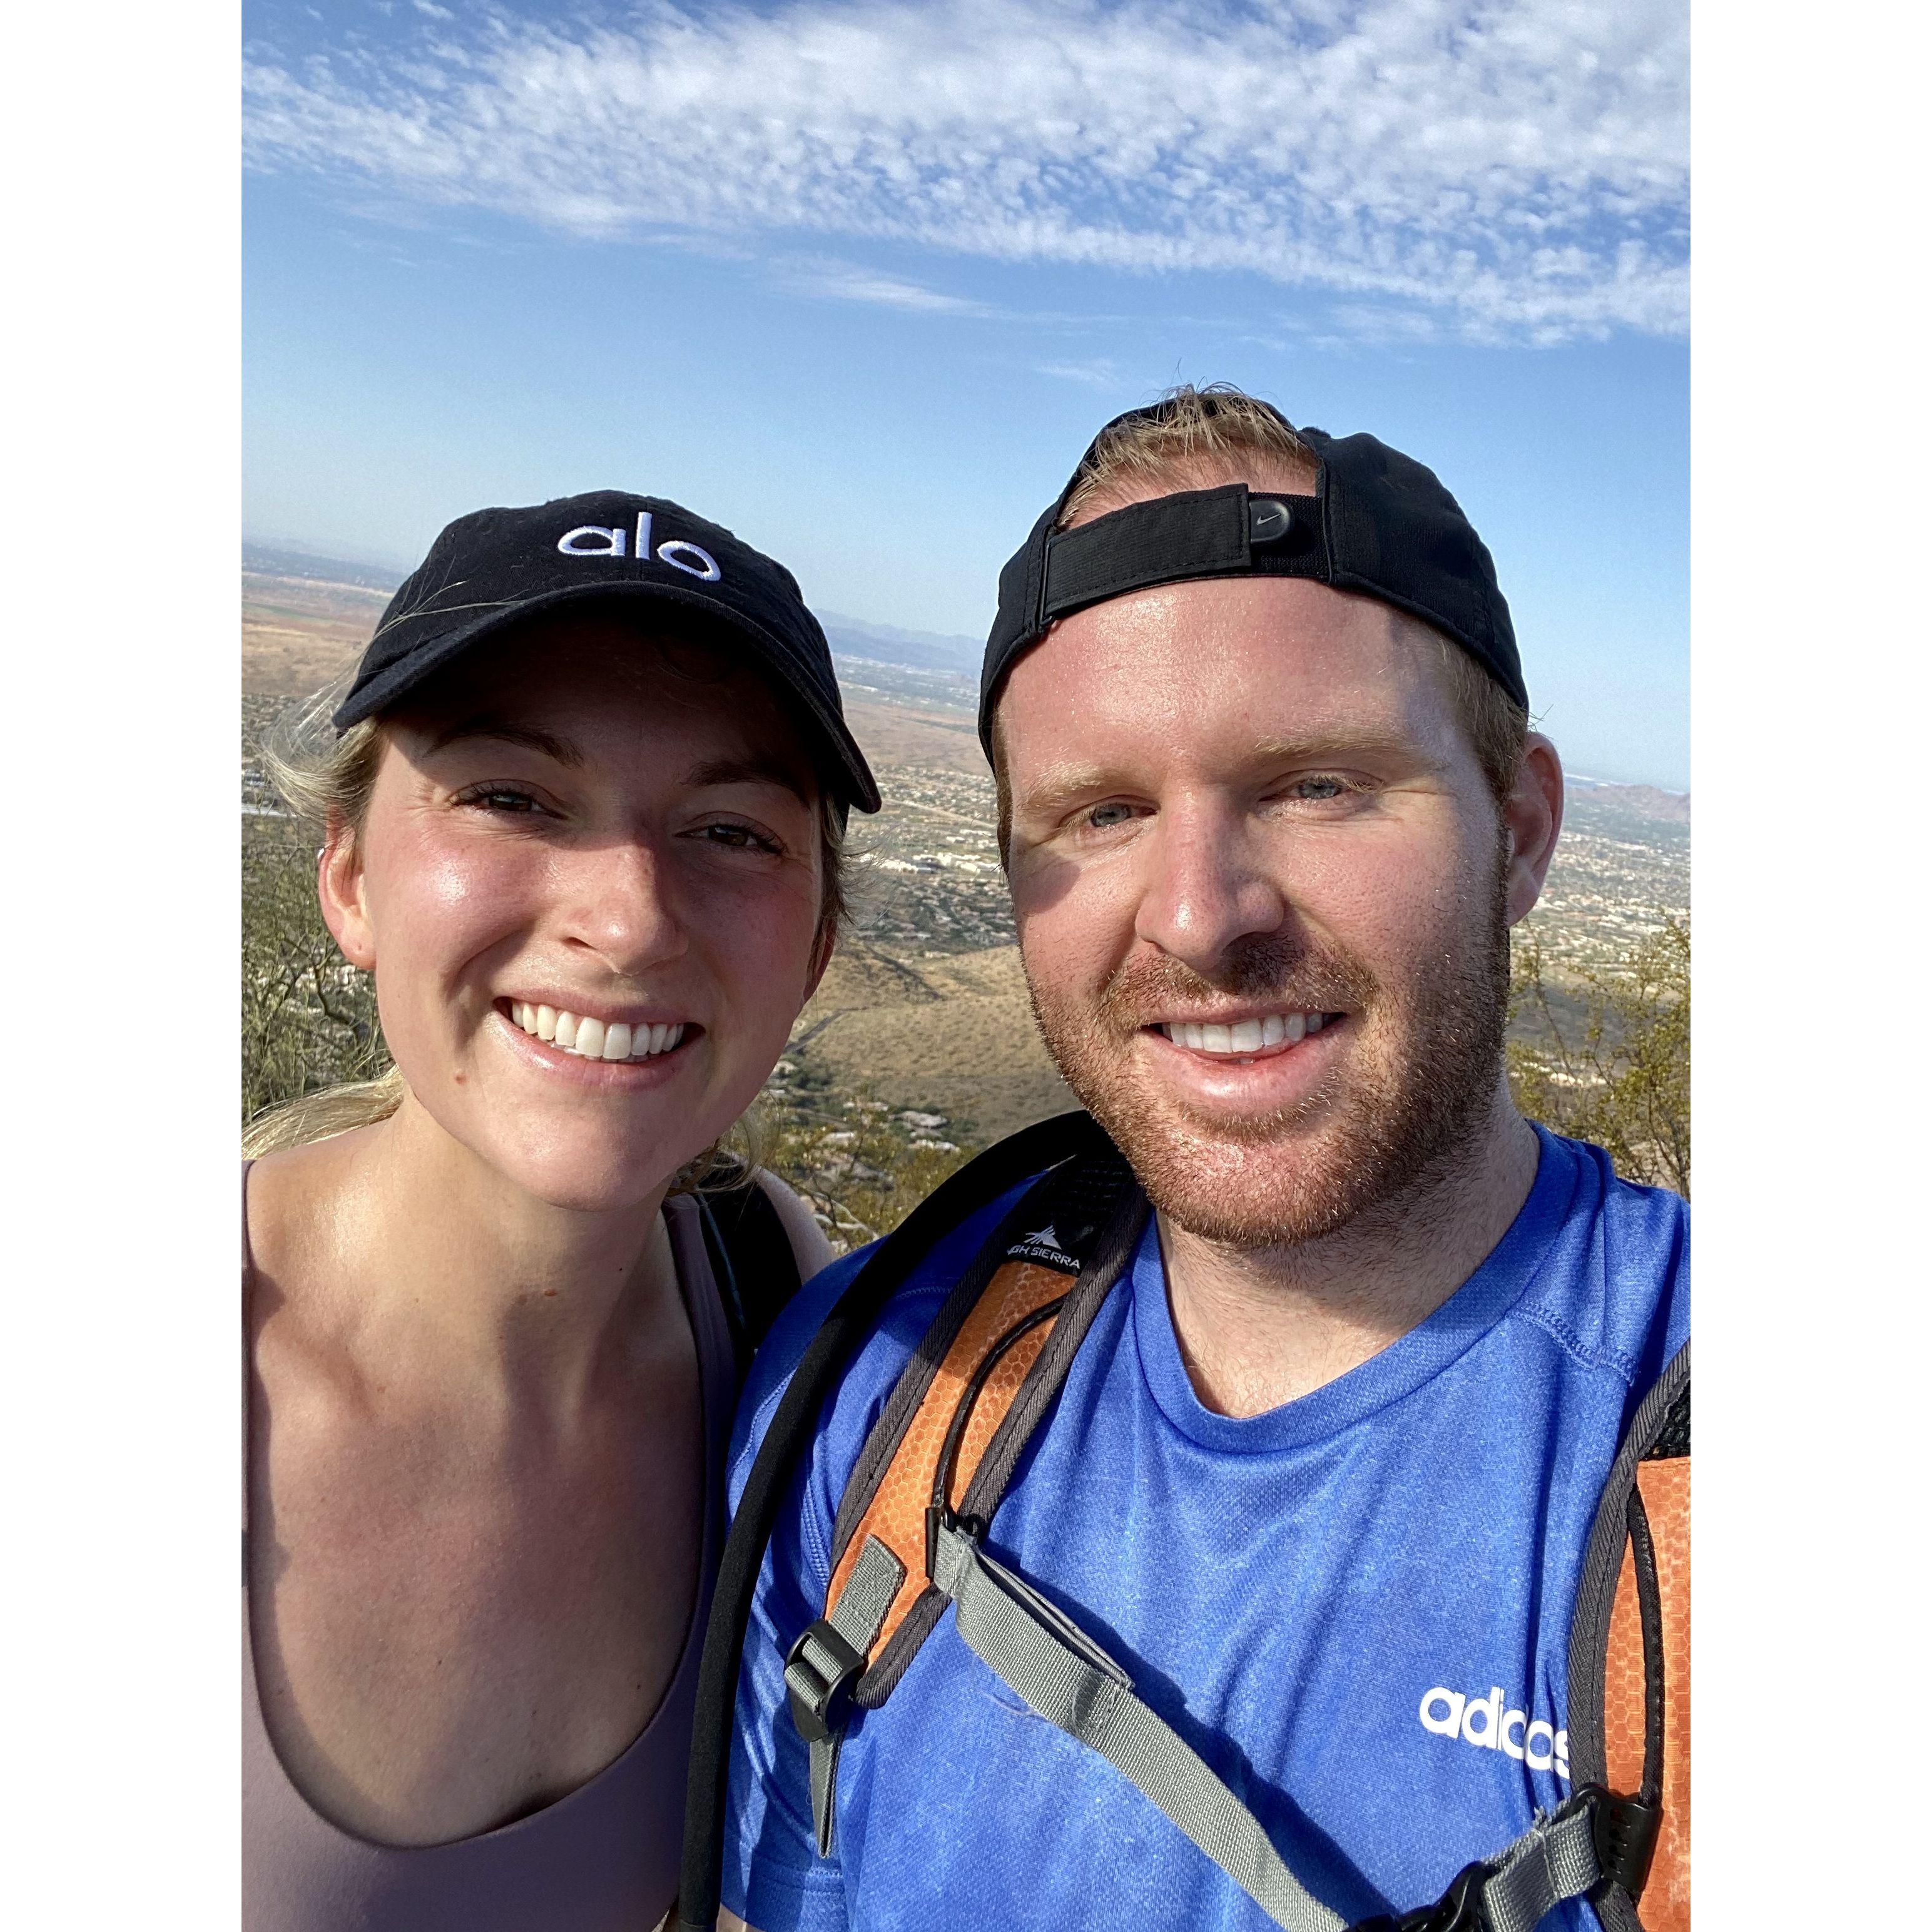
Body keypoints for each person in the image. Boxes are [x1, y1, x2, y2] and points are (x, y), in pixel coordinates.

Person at [710, 389, 1688, 1932]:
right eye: (1099, 812)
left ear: (1517, 827)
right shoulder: (870, 1407)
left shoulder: (1693, 1483)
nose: (1195, 913)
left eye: (1313, 784)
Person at [241, 489, 878, 1931]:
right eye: (514, 797)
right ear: (347, 875)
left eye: (728, 828)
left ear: (818, 940)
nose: (632, 914)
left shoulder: (780, 1300)